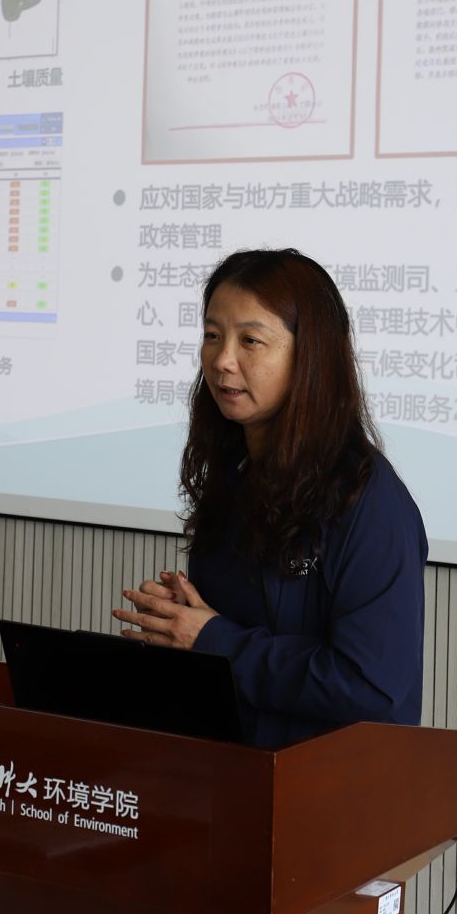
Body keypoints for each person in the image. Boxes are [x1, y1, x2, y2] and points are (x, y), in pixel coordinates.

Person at [112, 248, 427, 747]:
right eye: (211, 335)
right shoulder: (234, 475)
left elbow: (370, 687)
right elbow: (234, 636)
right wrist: (182, 620)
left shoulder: (368, 501)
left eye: (250, 341)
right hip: (232, 765)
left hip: (327, 778)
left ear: (310, 357)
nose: (222, 360)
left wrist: (213, 639)